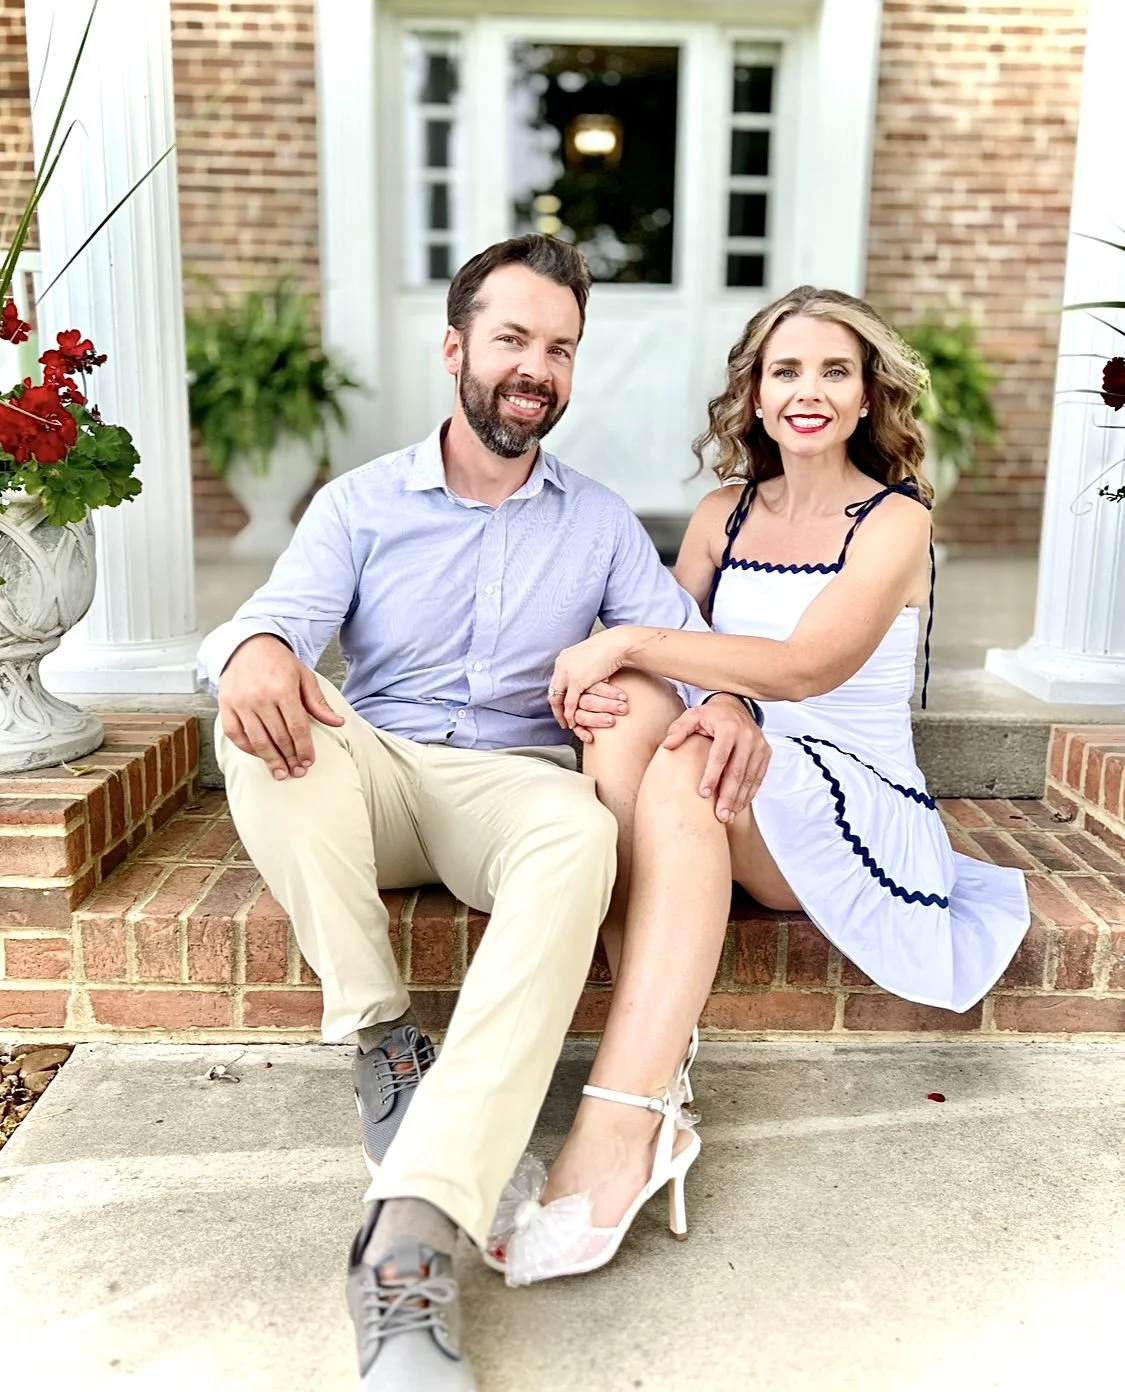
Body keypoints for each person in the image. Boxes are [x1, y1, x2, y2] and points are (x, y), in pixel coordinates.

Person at [196, 234, 765, 1391]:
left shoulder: (599, 521)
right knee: (260, 724)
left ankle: (409, 1236)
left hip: (511, 787)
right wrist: (254, 652)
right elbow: (276, 618)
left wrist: (738, 704)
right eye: (512, 339)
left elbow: (688, 651)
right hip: (381, 763)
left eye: (559, 348)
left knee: (580, 829)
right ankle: (382, 1035)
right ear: (455, 348)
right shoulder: (358, 506)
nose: (536, 368)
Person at [487, 285, 1031, 1284]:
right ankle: (659, 1077)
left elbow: (809, 667)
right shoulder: (720, 515)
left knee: (678, 736)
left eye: (835, 370)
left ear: (868, 396)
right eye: (787, 371)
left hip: (852, 791)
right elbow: (683, 671)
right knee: (623, 719)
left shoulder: (895, 520)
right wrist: (696, 688)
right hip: (741, 769)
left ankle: (622, 1121)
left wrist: (667, 658)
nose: (809, 391)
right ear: (756, 392)